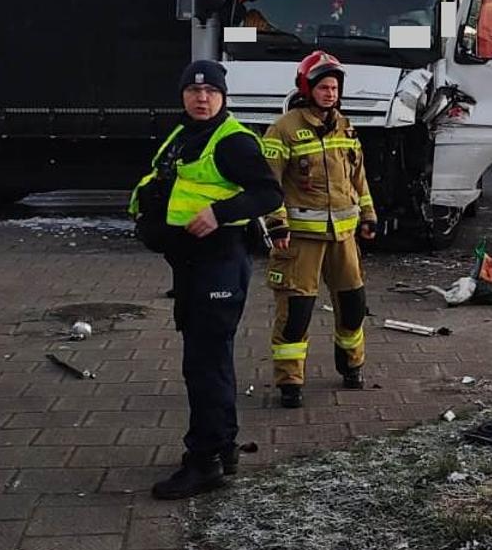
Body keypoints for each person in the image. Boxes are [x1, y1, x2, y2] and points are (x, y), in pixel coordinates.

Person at [133, 60, 284, 500]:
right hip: (193, 266)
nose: (202, 98)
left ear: (223, 96)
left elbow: (268, 192)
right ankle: (223, 448)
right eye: (194, 91)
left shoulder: (232, 140)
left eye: (211, 92)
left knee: (205, 365)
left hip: (219, 265)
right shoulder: (185, 134)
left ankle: (205, 463)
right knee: (207, 360)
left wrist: (220, 213)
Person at [260, 51, 378, 409]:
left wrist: (369, 215)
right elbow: (268, 184)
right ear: (307, 88)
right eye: (324, 87)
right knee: (296, 314)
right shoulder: (283, 129)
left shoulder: (346, 127)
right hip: (300, 241)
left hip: (344, 238)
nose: (330, 94)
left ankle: (352, 366)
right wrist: (276, 224)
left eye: (334, 88)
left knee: (353, 306)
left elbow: (358, 178)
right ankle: (290, 383)